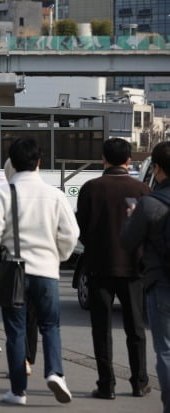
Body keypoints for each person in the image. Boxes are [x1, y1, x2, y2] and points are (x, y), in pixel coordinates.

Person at [0, 138, 79, 405]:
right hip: (47, 271)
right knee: (50, 325)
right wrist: (57, 256)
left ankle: (18, 390)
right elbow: (71, 234)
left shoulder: (2, 193)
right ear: (39, 161)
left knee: (16, 330)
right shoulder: (55, 194)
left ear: (11, 162)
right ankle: (56, 372)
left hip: (14, 270)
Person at [77, 138, 151, 399]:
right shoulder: (141, 189)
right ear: (129, 160)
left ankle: (106, 384)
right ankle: (140, 381)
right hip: (133, 269)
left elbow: (82, 229)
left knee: (101, 329)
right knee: (136, 329)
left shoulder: (91, 188)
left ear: (103, 159)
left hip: (99, 266)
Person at [121, 141, 170, 413]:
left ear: (158, 169)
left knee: (165, 351)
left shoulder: (150, 204)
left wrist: (133, 217)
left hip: (161, 283)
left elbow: (127, 242)